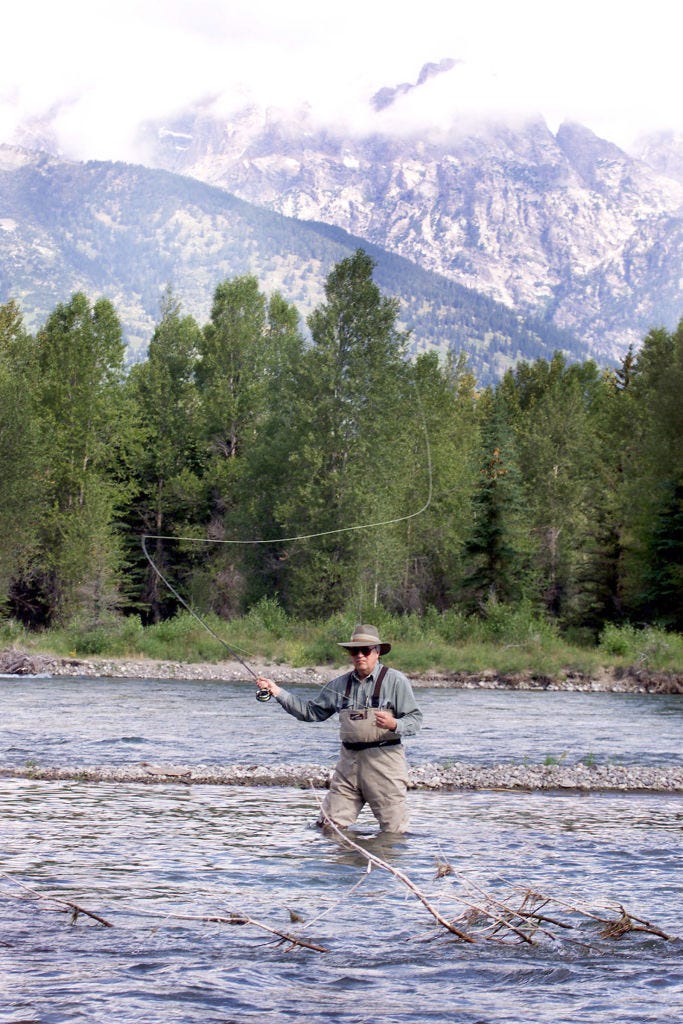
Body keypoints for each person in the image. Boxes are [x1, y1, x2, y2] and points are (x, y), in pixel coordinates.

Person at [256, 624, 422, 833]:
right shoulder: (338, 685)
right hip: (348, 765)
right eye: (354, 651)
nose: (359, 655)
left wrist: (395, 724)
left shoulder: (396, 681)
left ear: (377, 652)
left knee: (394, 833)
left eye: (366, 650)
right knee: (328, 828)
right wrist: (277, 692)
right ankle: (343, 865)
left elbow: (415, 720)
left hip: (385, 764)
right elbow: (310, 713)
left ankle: (382, 864)